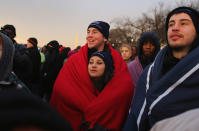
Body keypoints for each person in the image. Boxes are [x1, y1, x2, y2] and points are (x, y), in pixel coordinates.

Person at [123, 6, 199, 131]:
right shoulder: (150, 72)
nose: (175, 28)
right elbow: (135, 115)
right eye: (171, 24)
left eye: (183, 23)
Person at [50, 21, 134, 130]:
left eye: (94, 32)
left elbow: (125, 87)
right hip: (76, 121)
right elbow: (61, 89)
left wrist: (103, 106)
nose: (89, 35)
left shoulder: (117, 59)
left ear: (104, 38)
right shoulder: (74, 61)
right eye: (88, 32)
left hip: (107, 121)